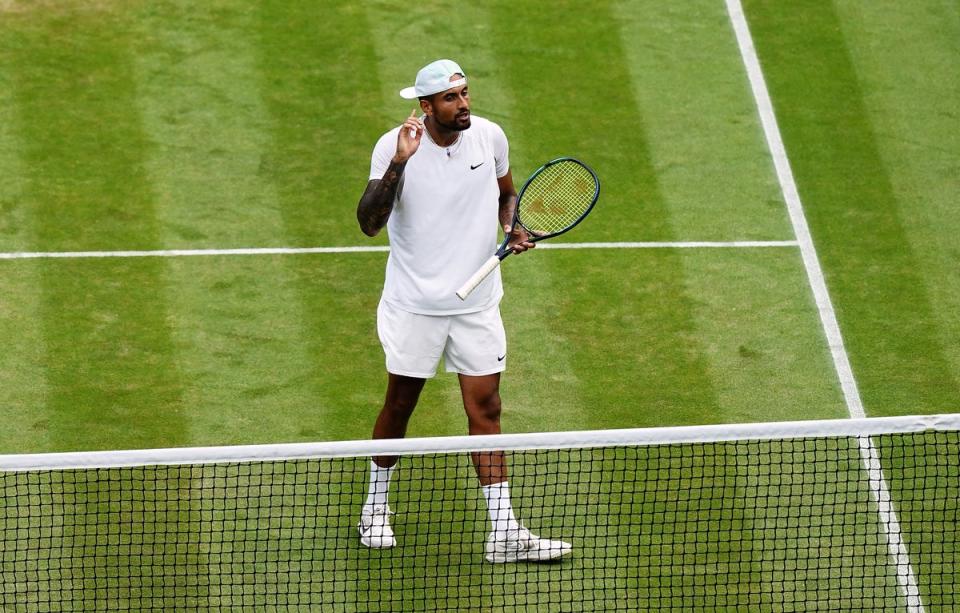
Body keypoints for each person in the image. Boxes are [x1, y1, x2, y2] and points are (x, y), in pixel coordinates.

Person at [355, 59, 572, 563]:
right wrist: (399, 162)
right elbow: (370, 222)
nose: (464, 105)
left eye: (465, 94)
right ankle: (374, 506)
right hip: (415, 306)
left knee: (486, 410)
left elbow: (506, 193)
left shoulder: (490, 137)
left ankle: (503, 531)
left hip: (477, 304)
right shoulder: (394, 146)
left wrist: (513, 226)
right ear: (425, 107)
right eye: (451, 99)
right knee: (400, 406)